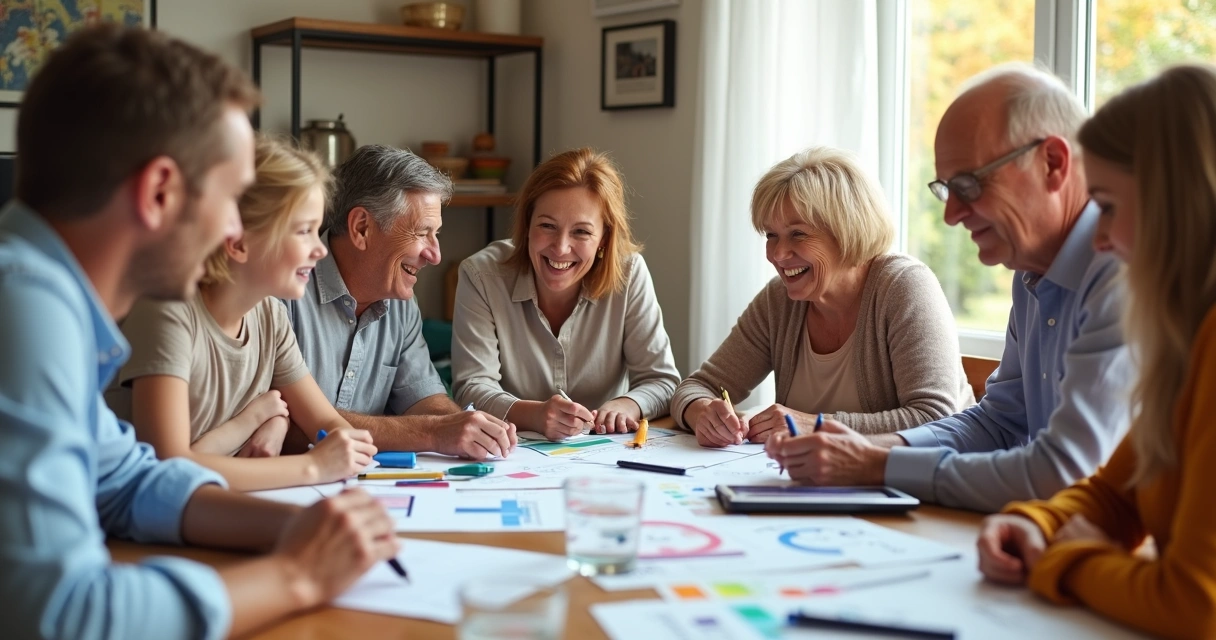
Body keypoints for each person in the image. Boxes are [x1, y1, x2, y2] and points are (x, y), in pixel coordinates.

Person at [0, 25, 398, 639]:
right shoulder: (24, 308)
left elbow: (128, 482)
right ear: (160, 192)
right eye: (234, 196)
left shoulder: (50, 297)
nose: (237, 226)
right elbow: (62, 617)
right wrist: (297, 574)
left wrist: (293, 528)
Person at [765, 64, 1132, 513]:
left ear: (1052, 164)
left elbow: (1067, 471)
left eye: (969, 184)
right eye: (946, 189)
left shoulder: (1122, 269)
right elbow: (1000, 423)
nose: (951, 215)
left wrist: (879, 465)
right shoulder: (1031, 273)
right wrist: (881, 448)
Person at [977, 63, 1216, 639]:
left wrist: (1060, 560)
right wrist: (1034, 522)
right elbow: (1116, 493)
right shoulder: (1188, 339)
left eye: (1106, 204)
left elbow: (1195, 604)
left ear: (1173, 202)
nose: (1100, 237)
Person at [107, 135, 376, 491]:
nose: (319, 250)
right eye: (303, 231)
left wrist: (333, 441)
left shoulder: (270, 316)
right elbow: (166, 467)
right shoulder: (167, 312)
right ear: (238, 242)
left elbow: (324, 421)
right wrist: (311, 465)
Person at [673, 147, 974, 448]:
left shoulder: (905, 288)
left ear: (847, 231)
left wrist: (815, 425)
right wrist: (701, 412)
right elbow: (698, 387)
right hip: (818, 485)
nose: (778, 254)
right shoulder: (779, 301)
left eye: (798, 234)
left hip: (923, 486)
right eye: (771, 235)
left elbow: (936, 419)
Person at [283, 145, 516, 459]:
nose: (435, 255)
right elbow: (291, 428)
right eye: (422, 233)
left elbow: (423, 399)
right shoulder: (284, 289)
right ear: (361, 228)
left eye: (437, 235)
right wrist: (433, 433)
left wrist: (466, 425)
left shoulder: (401, 303)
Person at [452, 148, 681, 440]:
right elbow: (471, 388)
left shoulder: (630, 273)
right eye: (547, 226)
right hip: (512, 452)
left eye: (581, 232)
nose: (560, 248)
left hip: (604, 456)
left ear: (604, 239)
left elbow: (662, 380)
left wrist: (628, 404)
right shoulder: (481, 275)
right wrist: (534, 415)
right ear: (526, 226)